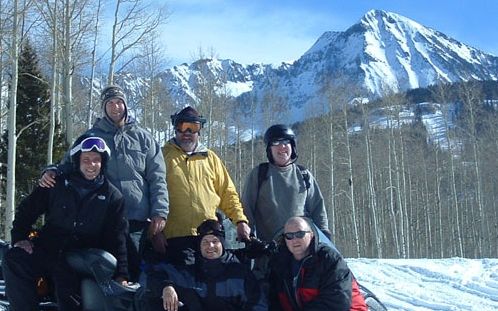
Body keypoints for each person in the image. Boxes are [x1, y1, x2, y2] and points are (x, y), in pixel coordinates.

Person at [3, 133, 129, 311]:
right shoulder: (57, 184)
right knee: (14, 259)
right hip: (48, 246)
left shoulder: (113, 196)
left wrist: (121, 274)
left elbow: (117, 237)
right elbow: (27, 211)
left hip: (78, 257)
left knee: (67, 290)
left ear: (103, 163)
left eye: (96, 160)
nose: (91, 165)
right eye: (86, 160)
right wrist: (20, 238)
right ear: (77, 161)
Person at [39, 85, 169, 283]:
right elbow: (69, 164)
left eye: (119, 102)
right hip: (102, 215)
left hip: (136, 217)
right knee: (105, 267)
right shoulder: (92, 137)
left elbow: (157, 177)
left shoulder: (143, 137)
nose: (115, 107)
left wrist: (159, 212)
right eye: (110, 103)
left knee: (133, 266)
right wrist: (51, 171)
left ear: (125, 105)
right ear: (104, 107)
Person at [152, 106, 251, 264]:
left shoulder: (210, 158)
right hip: (176, 237)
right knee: (184, 283)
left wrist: (240, 221)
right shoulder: (162, 157)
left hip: (209, 236)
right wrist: (155, 232)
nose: (187, 132)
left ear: (199, 131)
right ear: (175, 128)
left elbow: (227, 193)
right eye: (182, 127)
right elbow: (151, 194)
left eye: (193, 127)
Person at [242, 124, 330, 244]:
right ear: (269, 149)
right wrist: (250, 239)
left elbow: (318, 209)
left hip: (300, 249)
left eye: (286, 141)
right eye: (276, 142)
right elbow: (246, 208)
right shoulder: (259, 174)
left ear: (292, 147)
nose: (282, 146)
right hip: (269, 251)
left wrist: (324, 237)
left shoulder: (303, 174)